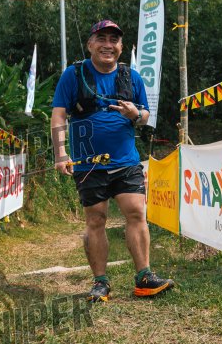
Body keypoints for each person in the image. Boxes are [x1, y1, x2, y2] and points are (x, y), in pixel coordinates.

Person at [51, 19, 174, 303]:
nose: (108, 45)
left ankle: (144, 278)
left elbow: (145, 116)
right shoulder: (74, 74)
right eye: (102, 39)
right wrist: (60, 154)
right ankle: (101, 282)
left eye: (114, 40)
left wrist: (135, 114)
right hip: (88, 163)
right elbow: (59, 115)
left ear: (121, 46)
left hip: (126, 161)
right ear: (90, 44)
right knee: (96, 219)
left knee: (136, 212)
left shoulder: (132, 77)